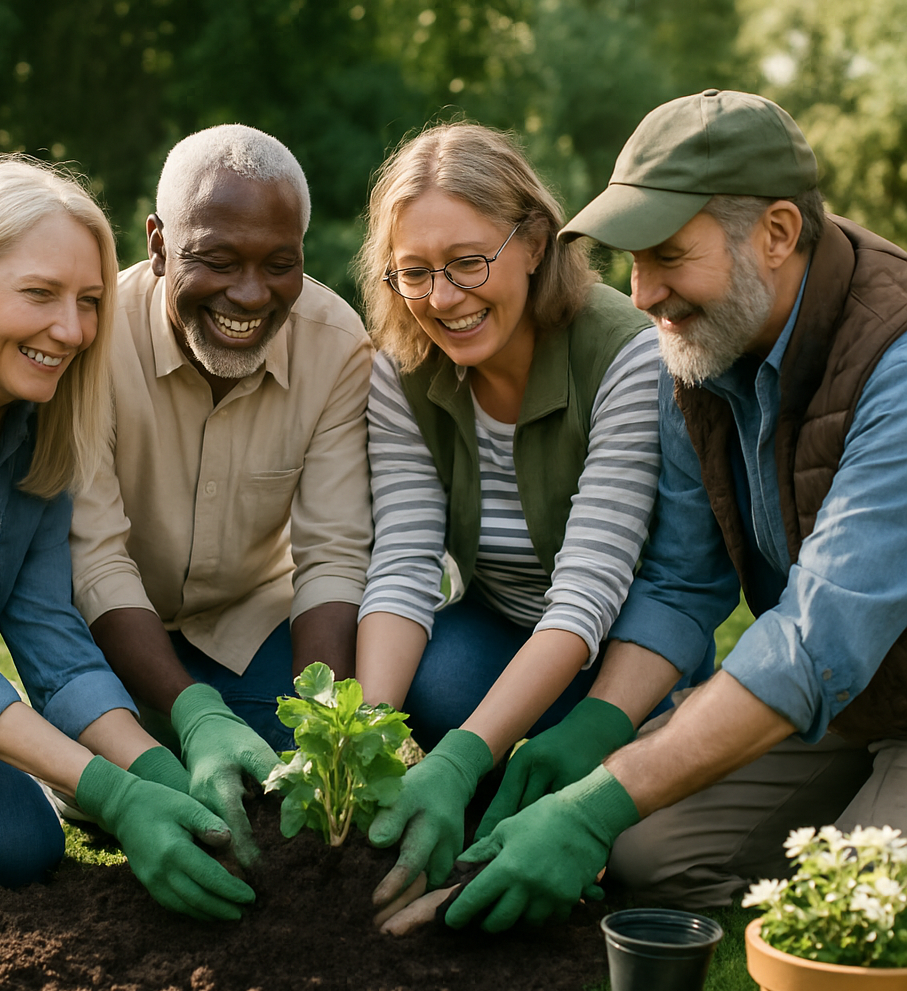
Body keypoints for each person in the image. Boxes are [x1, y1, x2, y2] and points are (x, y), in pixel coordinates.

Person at [445, 89, 907, 932]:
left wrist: (594, 805)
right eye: (632, 260)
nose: (646, 293)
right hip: (853, 704)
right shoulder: (698, 346)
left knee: (857, 911)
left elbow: (814, 638)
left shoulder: (896, 362)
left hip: (850, 673)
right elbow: (683, 579)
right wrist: (595, 729)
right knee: (643, 856)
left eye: (667, 255)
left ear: (775, 233)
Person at [0, 156, 253, 922]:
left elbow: (54, 639)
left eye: (89, 301)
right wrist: (113, 798)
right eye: (39, 294)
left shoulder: (37, 423)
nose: (73, 330)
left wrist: (159, 772)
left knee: (24, 847)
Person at [352, 122, 705, 913]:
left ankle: (585, 770)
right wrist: (364, 741)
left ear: (536, 242)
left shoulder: (624, 354)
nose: (443, 299)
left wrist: (461, 757)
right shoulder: (401, 370)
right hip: (502, 634)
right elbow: (404, 562)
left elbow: (588, 591)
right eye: (414, 272)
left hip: (619, 660)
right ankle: (506, 768)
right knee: (433, 674)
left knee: (616, 816)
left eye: (469, 262)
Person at [69, 125, 373, 866]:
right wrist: (195, 715)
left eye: (280, 264)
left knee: (275, 777)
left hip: (243, 627)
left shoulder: (336, 347)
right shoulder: (91, 339)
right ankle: (90, 761)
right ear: (158, 242)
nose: (249, 294)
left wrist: (321, 727)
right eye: (216, 260)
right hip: (106, 632)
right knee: (137, 784)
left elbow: (332, 554)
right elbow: (97, 561)